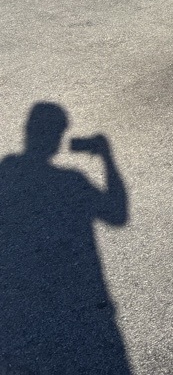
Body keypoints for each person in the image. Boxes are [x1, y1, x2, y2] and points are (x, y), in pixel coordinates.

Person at [0, 102, 131, 373]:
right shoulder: (72, 180)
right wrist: (107, 156)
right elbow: (117, 215)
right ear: (58, 137)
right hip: (85, 303)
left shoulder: (6, 172)